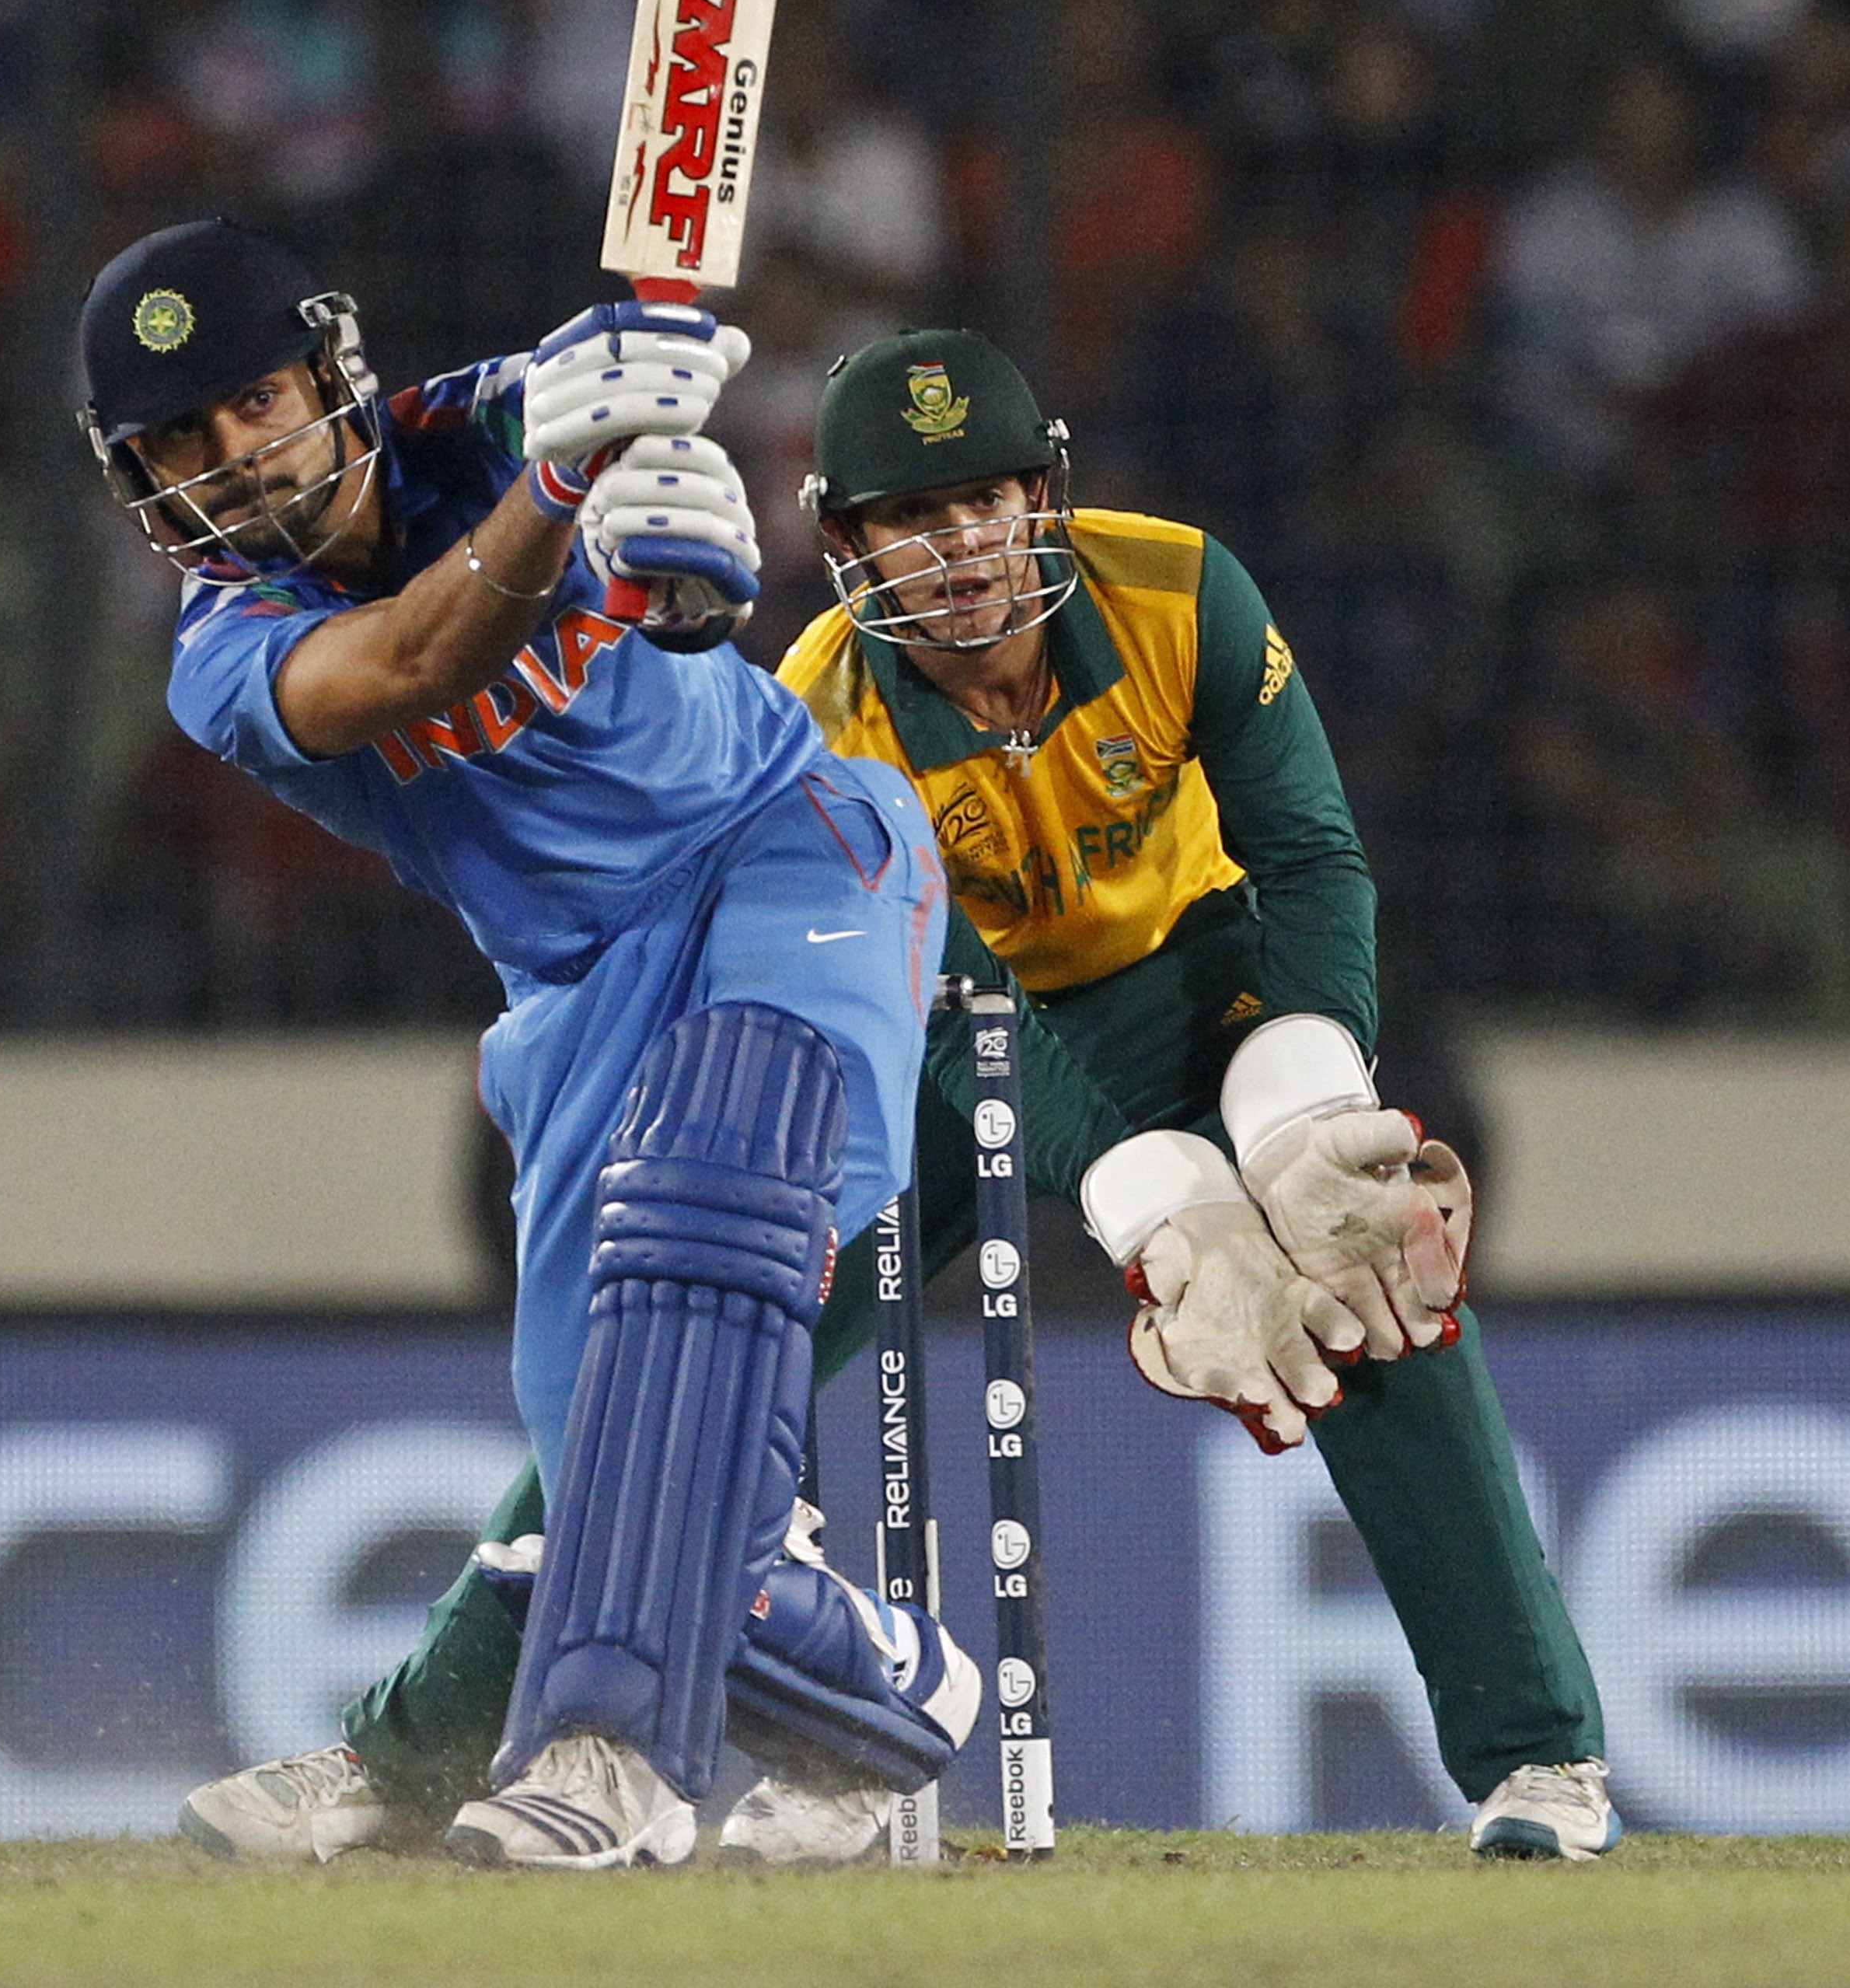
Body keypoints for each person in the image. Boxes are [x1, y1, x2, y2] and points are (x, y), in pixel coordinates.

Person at [243, 327, 1620, 1865]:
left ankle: (1544, 1765)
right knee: (682, 1348)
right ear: (841, 542)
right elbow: (971, 1022)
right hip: (927, 1031)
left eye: (989, 499)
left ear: (1048, 493)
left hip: (1187, 982)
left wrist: (1304, 1102)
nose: (961, 548)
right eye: (912, 516)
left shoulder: (1178, 590)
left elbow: (1308, 861)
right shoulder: (819, 703)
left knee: (1375, 1275)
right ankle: (400, 1759)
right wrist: (1155, 1202)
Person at [90, 220, 978, 1871]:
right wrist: (571, 505)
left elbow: (623, 389)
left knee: (712, 1199)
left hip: (786, 844)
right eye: (182, 446)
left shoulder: (487, 423)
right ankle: (893, 1708)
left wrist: (674, 485)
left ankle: (613, 1753)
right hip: (576, 996)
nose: (237, 461)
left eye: (256, 404)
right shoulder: (223, 660)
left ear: (331, 374)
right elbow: (420, 658)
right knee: (622, 1497)